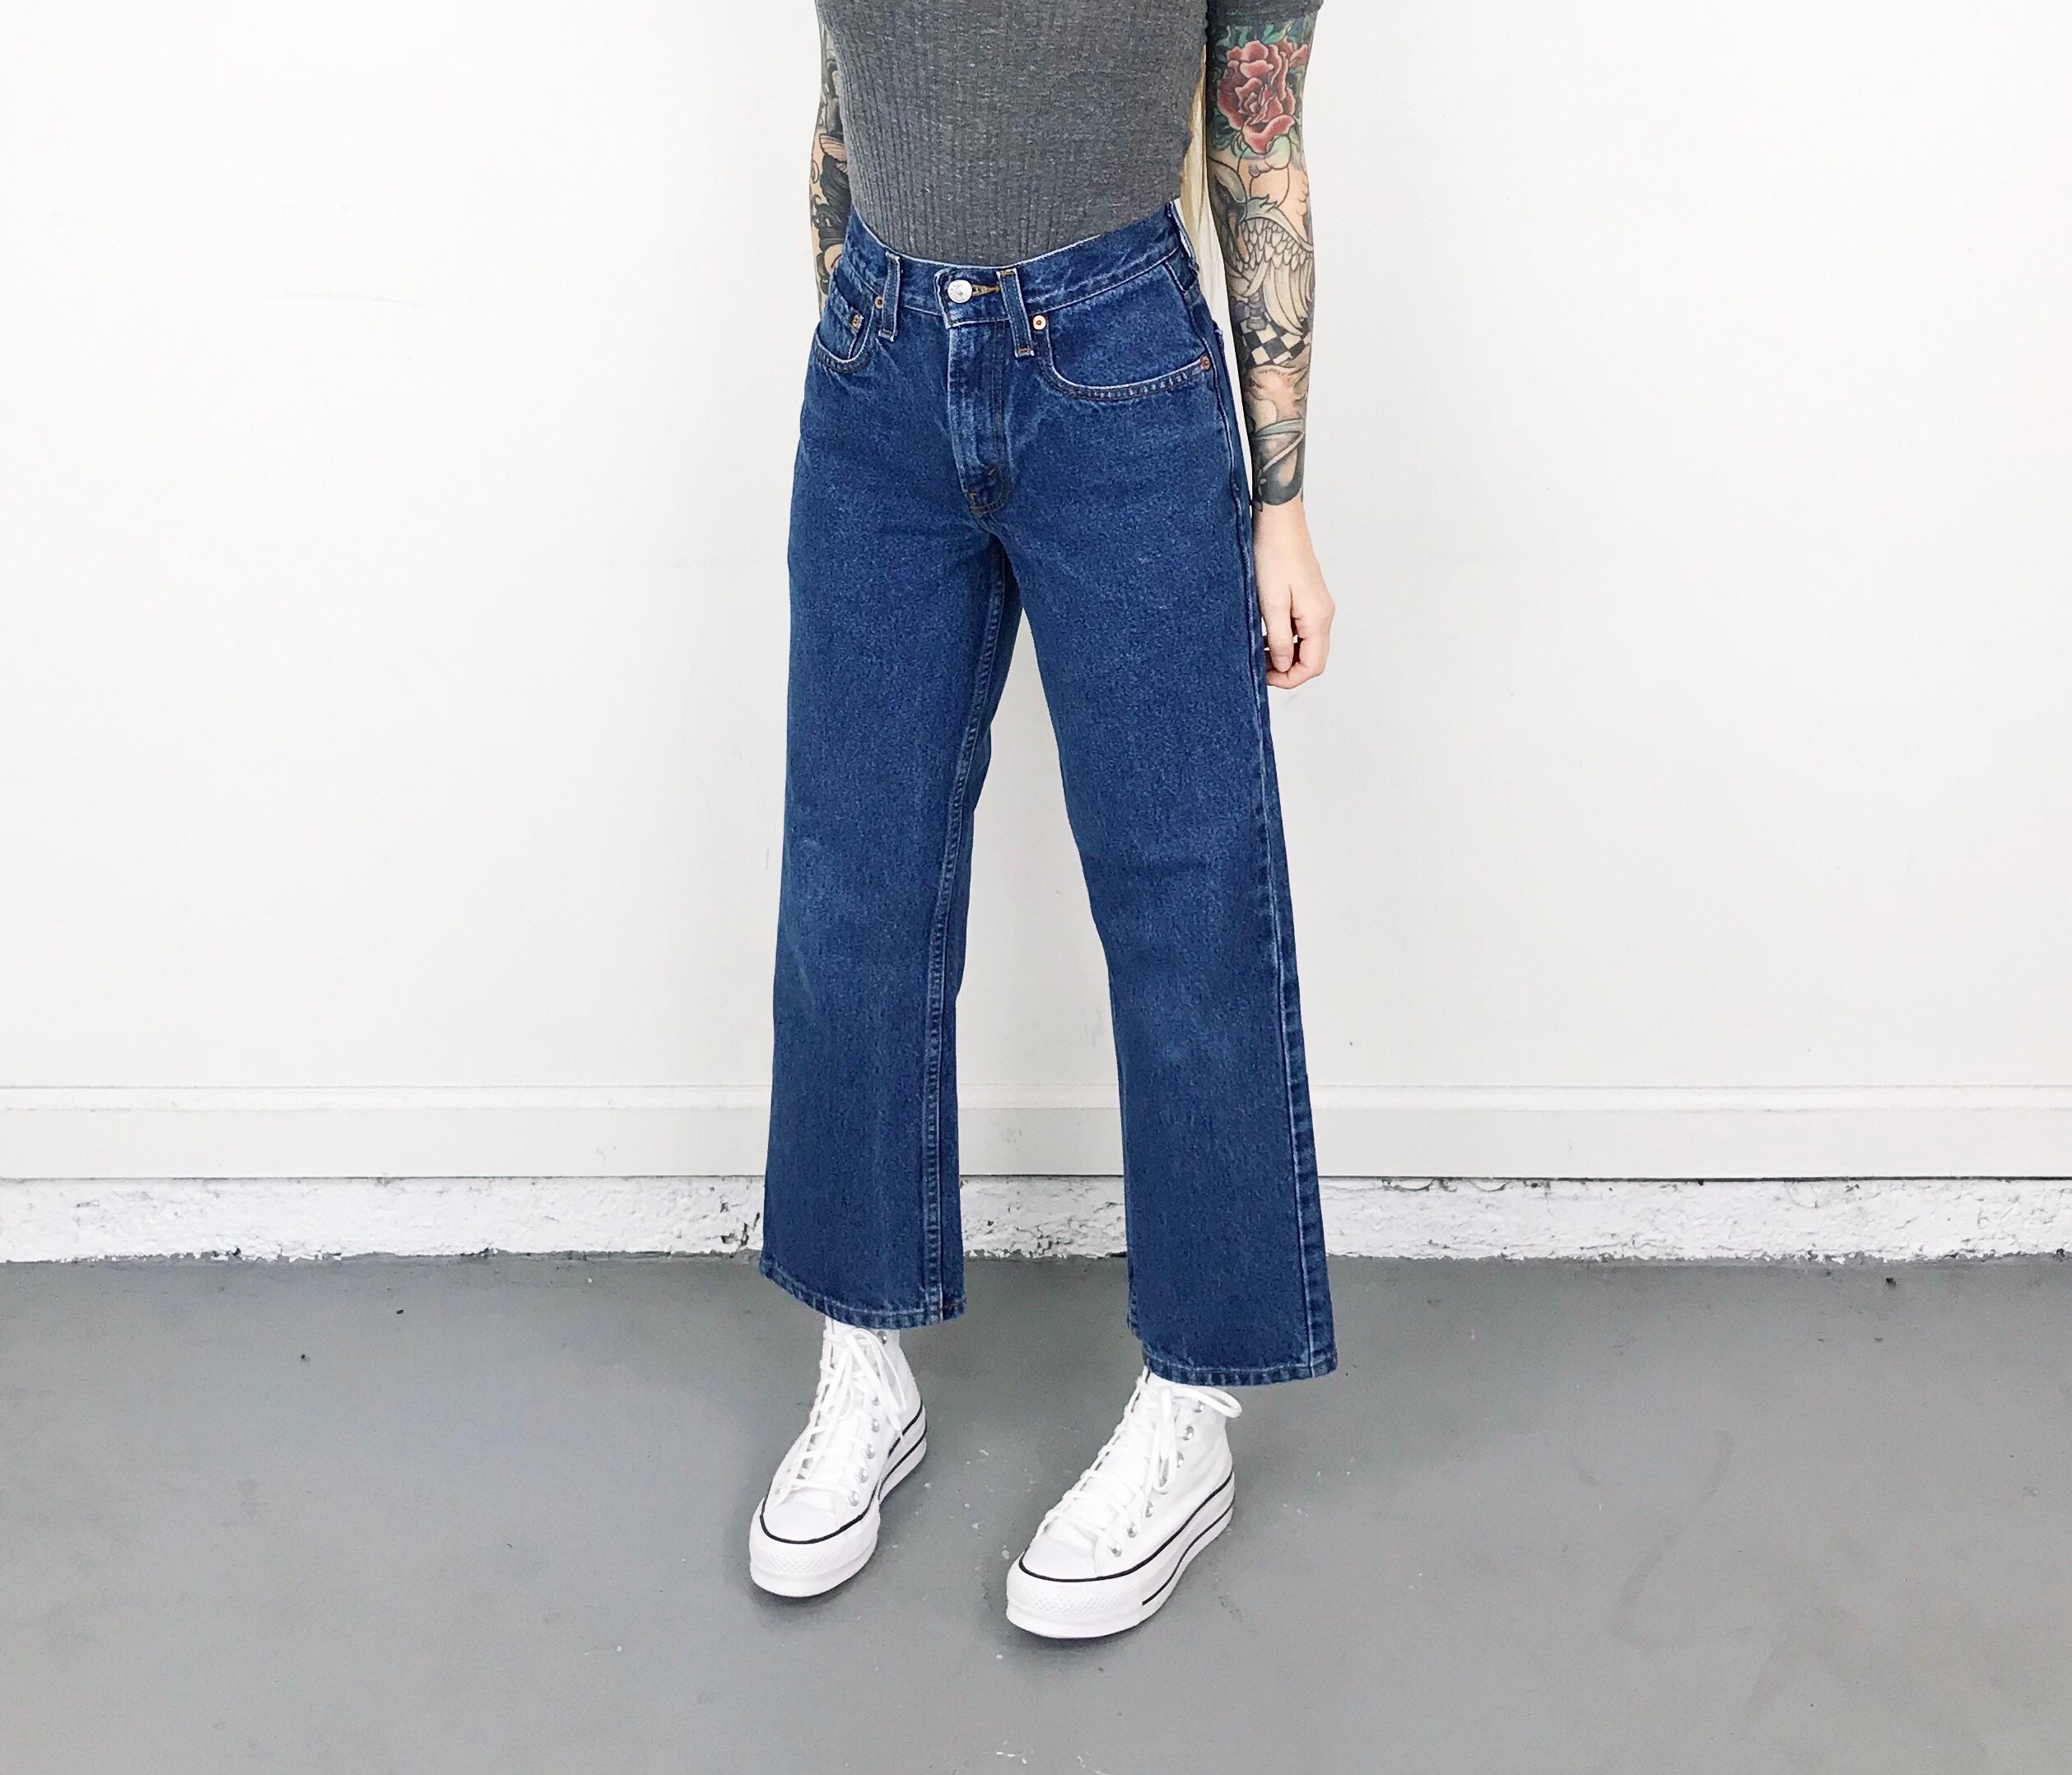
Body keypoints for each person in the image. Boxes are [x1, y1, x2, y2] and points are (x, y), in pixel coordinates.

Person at [748, 0, 1336, 1639]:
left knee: (1188, 891)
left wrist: (1280, 507)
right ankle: (861, 1354)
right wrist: (861, 343)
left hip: (1121, 366)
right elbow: (844, 94)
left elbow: (1260, 148)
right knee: (850, 884)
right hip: (876, 362)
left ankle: (1194, 1400)